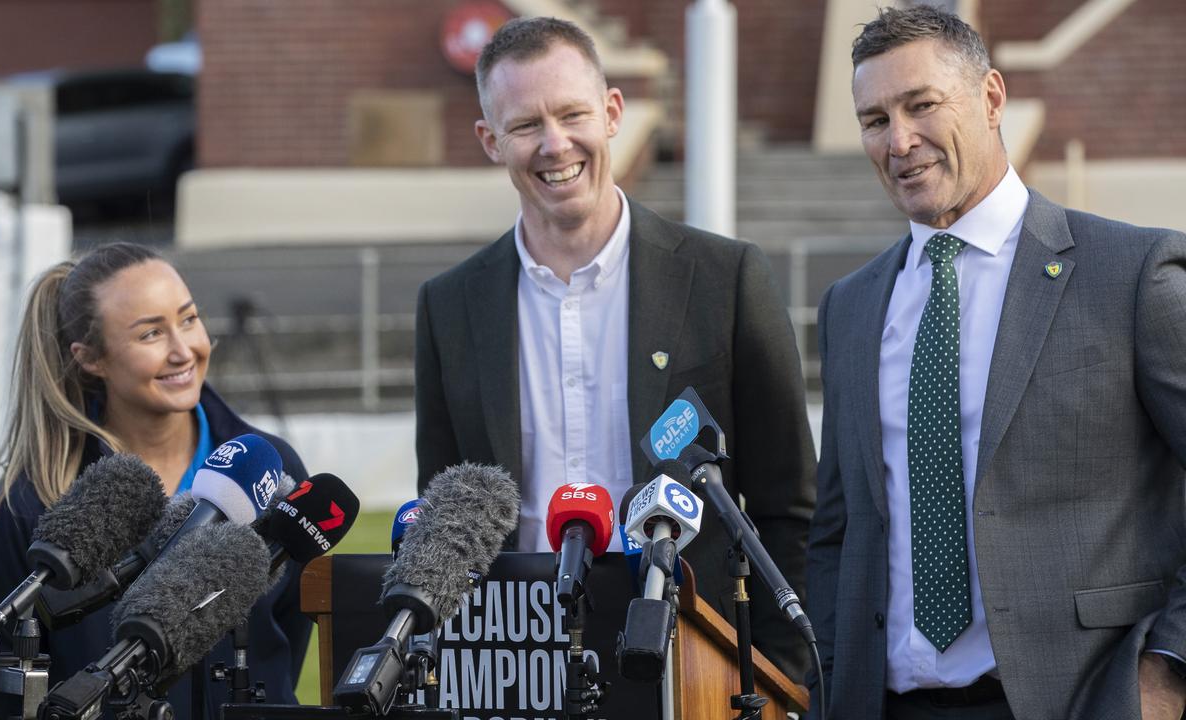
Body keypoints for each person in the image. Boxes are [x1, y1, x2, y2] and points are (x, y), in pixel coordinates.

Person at [807, 6, 1186, 719]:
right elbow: (839, 527)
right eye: (875, 120)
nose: (900, 140)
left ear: (990, 98)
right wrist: (828, 673)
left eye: (921, 105)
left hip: (1081, 699)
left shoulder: (1130, 273)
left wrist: (1168, 672)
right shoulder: (850, 307)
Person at [413, 16, 816, 680]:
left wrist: (781, 681)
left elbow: (790, 510)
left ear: (612, 113)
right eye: (524, 126)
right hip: (517, 666)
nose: (554, 144)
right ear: (490, 140)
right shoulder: (448, 307)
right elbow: (444, 514)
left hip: (692, 663)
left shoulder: (726, 279)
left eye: (573, 114)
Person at [0, 243, 311, 719]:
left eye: (189, 319)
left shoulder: (272, 467)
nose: (183, 350)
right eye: (151, 333)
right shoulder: (30, 507)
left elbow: (289, 638)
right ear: (90, 358)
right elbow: (9, 692)